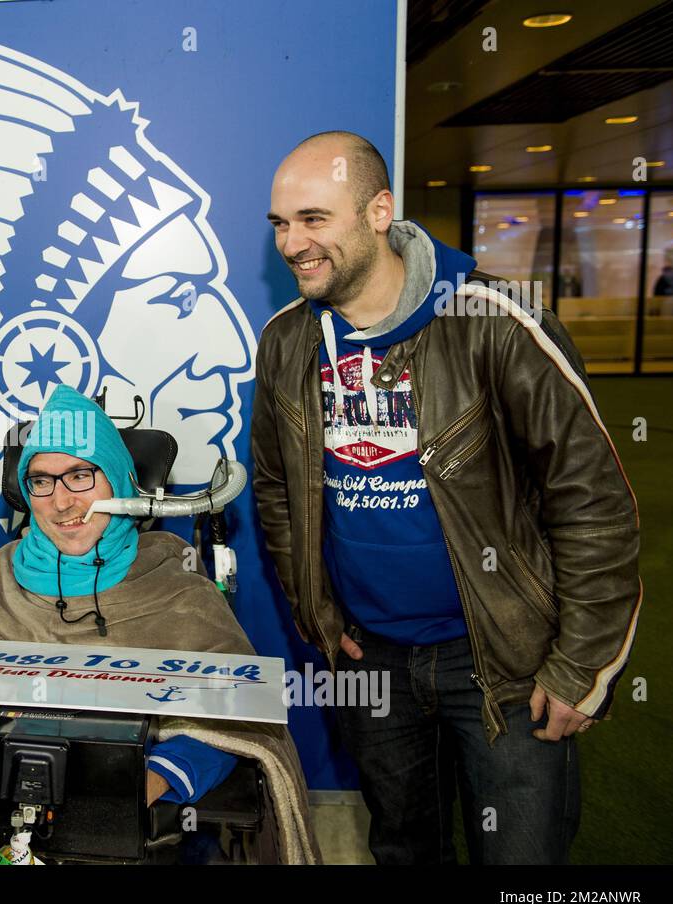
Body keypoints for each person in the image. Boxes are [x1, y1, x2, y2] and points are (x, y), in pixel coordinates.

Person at [252, 130, 640, 864]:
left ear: (379, 211)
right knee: (402, 848)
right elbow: (276, 492)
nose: (292, 242)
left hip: (502, 659)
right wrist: (319, 613)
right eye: (279, 223)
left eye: (313, 218)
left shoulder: (494, 322)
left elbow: (592, 502)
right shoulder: (286, 344)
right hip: (371, 661)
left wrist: (581, 665)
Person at [0, 385, 320, 863]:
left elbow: (240, 723)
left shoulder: (179, 592)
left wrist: (151, 779)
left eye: (81, 476)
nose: (62, 502)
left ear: (120, 483)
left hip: (134, 830)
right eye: (42, 482)